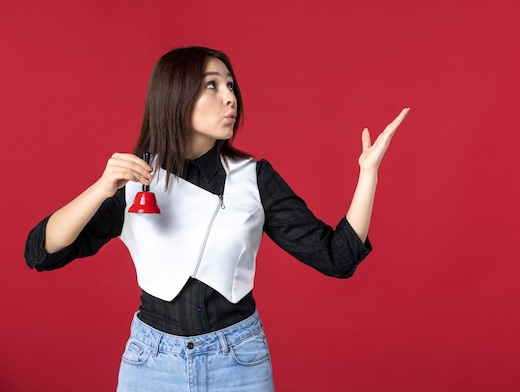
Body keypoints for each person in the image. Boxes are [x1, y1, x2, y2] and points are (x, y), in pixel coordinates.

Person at [24, 46, 408, 391]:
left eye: (231, 86)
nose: (230, 98)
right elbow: (41, 252)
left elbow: (337, 258)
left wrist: (368, 174)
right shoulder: (133, 178)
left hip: (239, 362)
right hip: (150, 365)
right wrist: (100, 189)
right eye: (212, 85)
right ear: (175, 96)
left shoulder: (254, 178)